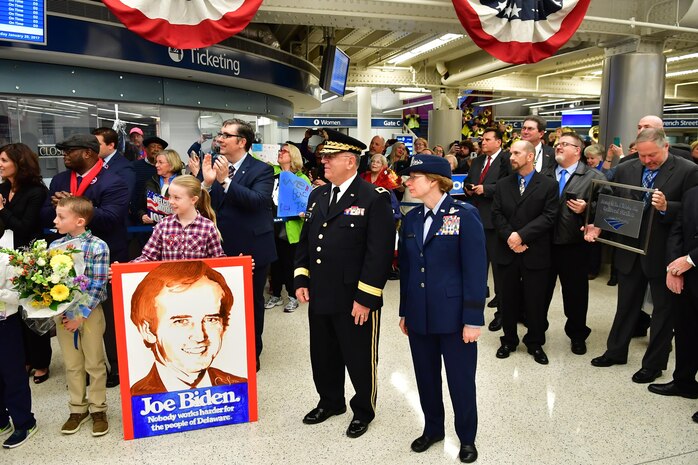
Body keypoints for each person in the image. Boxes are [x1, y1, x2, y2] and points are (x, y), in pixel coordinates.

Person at [294, 129, 394, 439]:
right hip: (322, 291)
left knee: (359, 356)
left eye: (330, 157)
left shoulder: (373, 198)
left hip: (354, 296)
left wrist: (366, 297)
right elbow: (308, 241)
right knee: (322, 353)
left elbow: (379, 254)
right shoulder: (318, 194)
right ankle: (331, 401)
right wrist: (301, 276)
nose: (323, 161)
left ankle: (363, 409)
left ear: (350, 161)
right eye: (324, 156)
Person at [589, 128, 698, 383]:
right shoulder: (627, 168)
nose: (647, 161)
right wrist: (596, 221)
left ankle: (654, 364)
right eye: (643, 156)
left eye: (653, 156)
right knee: (626, 304)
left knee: (663, 311)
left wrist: (666, 207)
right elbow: (614, 202)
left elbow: (691, 212)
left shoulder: (687, 170)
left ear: (666, 147)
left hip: (664, 252)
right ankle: (615, 351)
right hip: (629, 249)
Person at [398, 155, 487, 463]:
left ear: (434, 181)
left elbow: (476, 270)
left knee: (460, 381)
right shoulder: (410, 218)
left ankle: (467, 438)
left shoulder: (464, 214)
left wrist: (473, 319)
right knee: (425, 377)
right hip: (420, 314)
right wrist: (405, 311)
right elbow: (408, 270)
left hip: (455, 317)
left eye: (414, 178)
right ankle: (433, 429)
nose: (407, 183)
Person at [41, 134, 129, 388]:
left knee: (108, 317)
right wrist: (59, 209)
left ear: (89, 153)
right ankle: (82, 371)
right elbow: (46, 216)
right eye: (63, 151)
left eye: (70, 151)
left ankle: (115, 368)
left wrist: (79, 208)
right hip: (67, 260)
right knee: (73, 313)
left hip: (105, 256)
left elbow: (112, 218)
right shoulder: (59, 180)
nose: (64, 155)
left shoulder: (114, 181)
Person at [201, 118, 276, 372]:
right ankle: (226, 351)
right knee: (220, 304)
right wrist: (208, 183)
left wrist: (226, 182)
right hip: (220, 249)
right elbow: (205, 208)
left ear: (241, 142)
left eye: (226, 135)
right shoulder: (216, 166)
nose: (219, 139)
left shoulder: (262, 170)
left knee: (251, 303)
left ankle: (252, 354)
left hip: (252, 248)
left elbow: (258, 201)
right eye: (220, 134)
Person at [129, 261, 246, 396]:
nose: (200, 336)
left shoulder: (239, 388)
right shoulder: (135, 398)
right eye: (181, 321)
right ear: (147, 330)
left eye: (211, 319)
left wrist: (243, 265)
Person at [491, 140, 558, 365]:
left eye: (517, 153)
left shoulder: (548, 185)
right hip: (507, 249)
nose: (512, 157)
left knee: (536, 300)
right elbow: (497, 214)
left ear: (530, 157)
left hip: (535, 250)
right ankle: (508, 339)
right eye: (511, 153)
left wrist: (522, 236)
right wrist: (511, 236)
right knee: (507, 298)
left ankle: (535, 342)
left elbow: (549, 216)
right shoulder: (502, 184)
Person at [542, 132, 605, 355]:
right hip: (544, 243)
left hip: (574, 246)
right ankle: (537, 332)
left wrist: (587, 209)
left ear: (578, 150)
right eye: (557, 144)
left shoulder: (594, 177)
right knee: (540, 292)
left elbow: (608, 209)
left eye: (564, 144)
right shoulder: (544, 173)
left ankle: (577, 335)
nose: (558, 147)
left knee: (575, 295)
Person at [51, 196, 110, 437]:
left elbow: (97, 285)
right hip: (64, 313)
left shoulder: (98, 246)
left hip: (90, 312)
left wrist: (80, 315)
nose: (55, 220)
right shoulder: (54, 247)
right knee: (72, 364)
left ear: (79, 221)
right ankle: (78, 408)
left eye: (61, 217)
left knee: (94, 362)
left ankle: (98, 408)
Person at [0, 143, 51, 384]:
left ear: (18, 164)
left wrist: (2, 209)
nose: (0, 165)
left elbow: (25, 226)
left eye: (4, 160)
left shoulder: (36, 191)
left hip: (29, 256)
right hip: (6, 257)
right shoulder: (2, 187)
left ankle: (41, 362)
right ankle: (25, 358)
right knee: (12, 311)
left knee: (32, 311)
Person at [648, 185, 698, 423]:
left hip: (691, 265)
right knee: (686, 332)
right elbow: (677, 231)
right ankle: (684, 382)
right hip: (686, 277)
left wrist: (690, 260)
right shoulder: (692, 193)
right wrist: (673, 267)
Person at [464, 128, 511, 330]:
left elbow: (509, 185)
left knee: (499, 268)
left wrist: (487, 189)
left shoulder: (506, 161)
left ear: (499, 142)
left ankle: (502, 309)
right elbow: (468, 179)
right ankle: (475, 304)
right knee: (476, 265)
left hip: (495, 221)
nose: (482, 142)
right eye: (482, 139)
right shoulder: (477, 161)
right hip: (475, 220)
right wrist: (468, 187)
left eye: (487, 139)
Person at [132, 175, 224, 262]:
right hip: (169, 278)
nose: (171, 201)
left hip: (198, 278)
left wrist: (237, 262)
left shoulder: (208, 227)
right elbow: (147, 257)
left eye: (177, 198)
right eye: (170, 196)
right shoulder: (163, 225)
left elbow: (218, 261)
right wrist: (122, 268)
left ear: (193, 200)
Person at [265, 143, 310, 313]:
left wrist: (302, 212)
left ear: (293, 156)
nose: (280, 153)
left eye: (284, 151)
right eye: (280, 151)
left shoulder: (301, 179)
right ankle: (276, 294)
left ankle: (292, 296)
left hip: (291, 228)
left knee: (290, 263)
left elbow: (307, 206)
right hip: (272, 225)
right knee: (274, 262)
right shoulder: (271, 175)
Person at [0, 252, 38, 448]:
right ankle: (2, 421)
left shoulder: (7, 261)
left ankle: (25, 423)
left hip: (5, 323)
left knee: (12, 374)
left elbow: (20, 295)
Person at [136, 149, 184, 225]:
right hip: (153, 230)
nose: (156, 165)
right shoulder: (150, 182)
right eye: (156, 162)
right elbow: (139, 207)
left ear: (171, 164)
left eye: (160, 162)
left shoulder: (183, 184)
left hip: (176, 228)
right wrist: (142, 216)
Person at [91, 127, 136, 200]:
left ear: (111, 145)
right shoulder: (93, 162)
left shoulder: (124, 167)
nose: (93, 147)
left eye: (98, 144)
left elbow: (123, 197)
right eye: (92, 144)